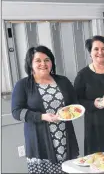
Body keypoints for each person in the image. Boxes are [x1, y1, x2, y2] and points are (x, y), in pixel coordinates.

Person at [11, 45, 79, 173]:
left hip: (65, 139)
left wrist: (69, 112)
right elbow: (16, 112)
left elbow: (74, 103)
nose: (43, 63)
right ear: (30, 64)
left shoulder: (63, 81)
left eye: (47, 60)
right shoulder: (23, 85)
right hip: (39, 142)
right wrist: (42, 116)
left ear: (52, 62)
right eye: (38, 60)